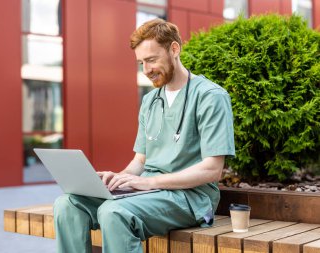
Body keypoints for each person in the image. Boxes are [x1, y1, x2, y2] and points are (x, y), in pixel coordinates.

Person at [53, 18, 235, 253]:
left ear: (174, 49)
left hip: (191, 198)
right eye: (141, 63)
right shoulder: (150, 101)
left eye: (151, 60)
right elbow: (141, 161)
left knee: (114, 212)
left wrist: (148, 182)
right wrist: (117, 180)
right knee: (67, 204)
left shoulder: (211, 97)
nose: (146, 69)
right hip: (149, 192)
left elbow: (212, 169)